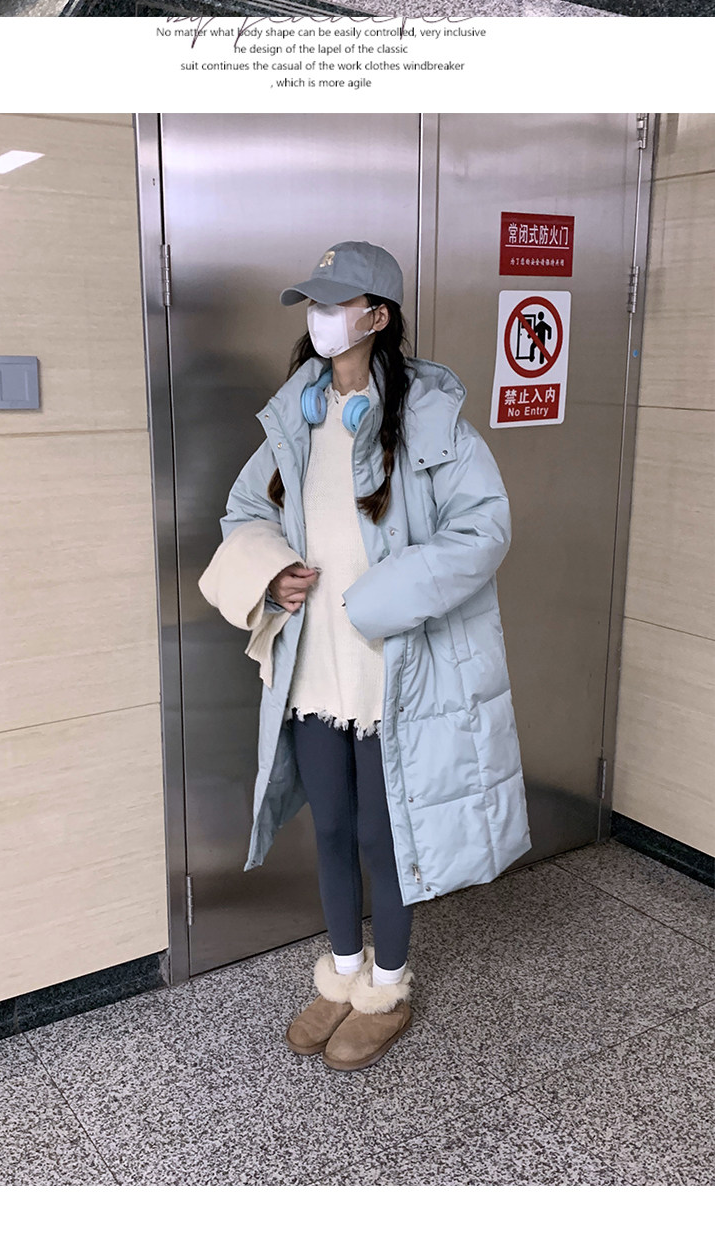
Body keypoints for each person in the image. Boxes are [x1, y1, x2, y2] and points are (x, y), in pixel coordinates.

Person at [201, 241, 532, 1073]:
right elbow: (243, 510)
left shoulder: (429, 416)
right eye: (313, 303)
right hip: (315, 665)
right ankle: (343, 971)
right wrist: (272, 570)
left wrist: (381, 596)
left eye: (337, 303)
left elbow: (484, 527)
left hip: (394, 669)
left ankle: (387, 987)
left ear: (377, 316)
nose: (321, 318)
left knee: (386, 835)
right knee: (332, 825)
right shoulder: (298, 413)